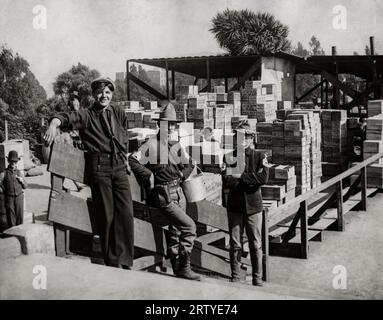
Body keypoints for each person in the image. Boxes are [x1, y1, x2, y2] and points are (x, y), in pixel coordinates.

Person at [44, 77, 134, 269]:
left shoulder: (118, 111)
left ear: (112, 94)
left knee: (126, 213)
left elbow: (124, 135)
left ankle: (125, 261)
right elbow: (66, 117)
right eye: (100, 92)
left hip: (119, 166)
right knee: (107, 216)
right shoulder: (87, 115)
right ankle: (113, 262)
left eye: (108, 92)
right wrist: (53, 124)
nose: (104, 96)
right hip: (100, 168)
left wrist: (125, 158)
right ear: (94, 94)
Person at [129, 102, 200, 281]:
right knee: (189, 226)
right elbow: (133, 160)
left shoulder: (176, 145)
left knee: (176, 233)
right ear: (159, 125)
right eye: (166, 124)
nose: (170, 128)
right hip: (164, 195)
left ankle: (177, 270)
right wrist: (149, 176)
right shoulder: (150, 145)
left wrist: (182, 177)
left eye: (173, 125)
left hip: (179, 194)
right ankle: (185, 267)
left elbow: (191, 163)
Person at [221, 120, 270, 286]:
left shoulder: (259, 156)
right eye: (239, 135)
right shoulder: (229, 157)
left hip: (254, 208)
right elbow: (228, 181)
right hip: (235, 207)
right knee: (235, 244)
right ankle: (235, 276)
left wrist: (241, 176)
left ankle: (257, 278)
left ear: (252, 138)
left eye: (246, 136)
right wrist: (251, 180)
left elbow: (263, 178)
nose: (242, 139)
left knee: (255, 244)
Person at [0, 150, 28, 228]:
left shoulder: (19, 173)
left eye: (15, 162)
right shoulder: (4, 173)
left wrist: (22, 181)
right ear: (8, 160)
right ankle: (12, 237)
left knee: (20, 219)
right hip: (9, 199)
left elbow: (25, 186)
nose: (13, 163)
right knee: (11, 220)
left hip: (19, 198)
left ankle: (19, 237)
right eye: (12, 161)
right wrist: (2, 191)